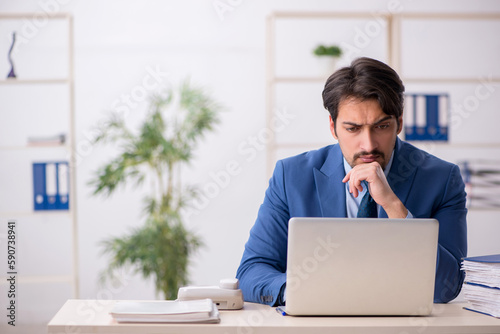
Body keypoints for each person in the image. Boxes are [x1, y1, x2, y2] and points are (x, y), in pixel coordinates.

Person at [235, 57, 467, 306]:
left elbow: (448, 286)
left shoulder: (443, 180)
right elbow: (252, 271)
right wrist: (300, 292)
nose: (368, 145)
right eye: (353, 129)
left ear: (399, 122)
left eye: (381, 126)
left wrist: (393, 206)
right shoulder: (290, 176)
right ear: (333, 127)